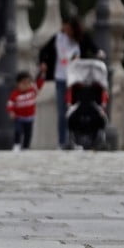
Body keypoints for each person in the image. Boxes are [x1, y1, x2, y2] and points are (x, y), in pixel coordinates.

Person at [37, 17, 99, 149]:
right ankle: (62, 141)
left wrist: (99, 53)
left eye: (69, 28)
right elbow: (44, 51)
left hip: (76, 80)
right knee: (62, 112)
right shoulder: (58, 38)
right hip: (61, 78)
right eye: (65, 27)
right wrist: (43, 63)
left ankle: (75, 139)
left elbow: (92, 47)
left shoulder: (81, 39)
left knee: (75, 110)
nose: (66, 30)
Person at [7, 71, 44, 151]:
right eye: (23, 83)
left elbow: (39, 85)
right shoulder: (15, 94)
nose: (26, 85)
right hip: (19, 118)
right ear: (18, 84)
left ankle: (26, 147)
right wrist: (11, 111)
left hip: (29, 118)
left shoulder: (32, 91)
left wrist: (41, 75)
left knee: (28, 133)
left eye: (28, 83)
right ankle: (17, 144)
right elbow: (10, 104)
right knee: (18, 131)